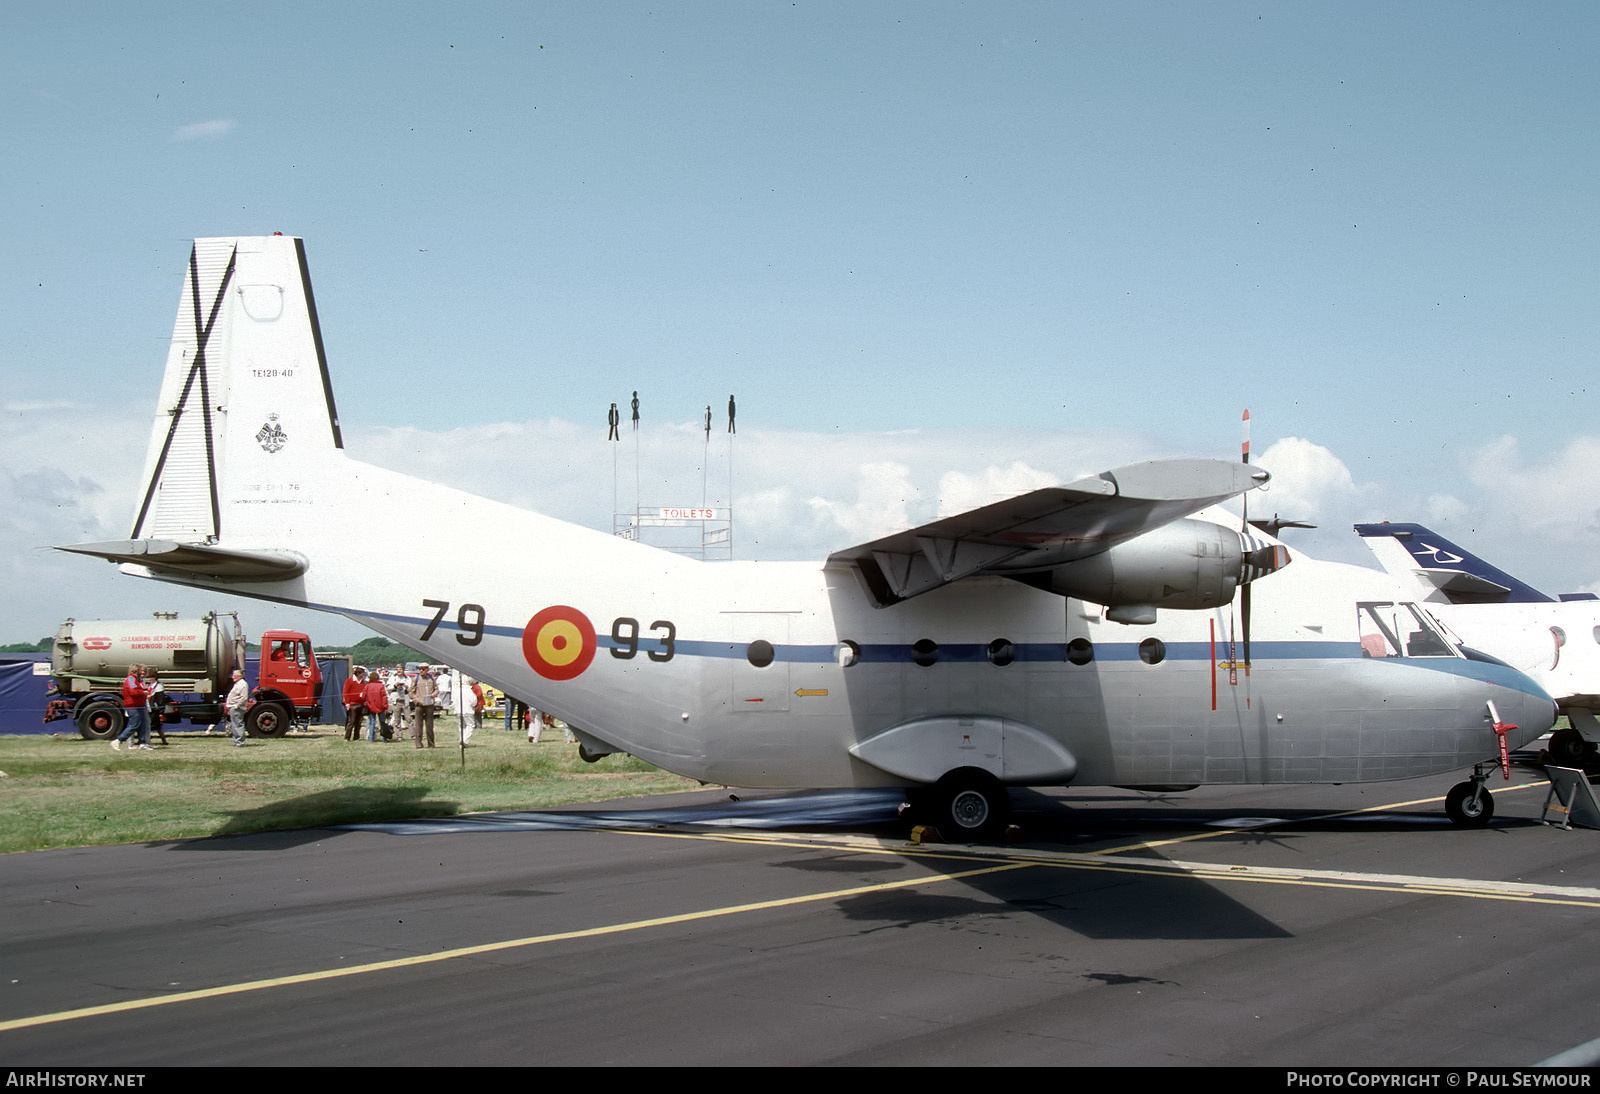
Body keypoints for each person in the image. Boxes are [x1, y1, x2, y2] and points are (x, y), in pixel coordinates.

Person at [112, 663, 148, 752]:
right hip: (133, 706)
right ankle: (118, 740)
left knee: (142, 725)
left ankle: (142, 743)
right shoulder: (131, 679)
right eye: (140, 670)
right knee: (134, 725)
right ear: (135, 670)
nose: (142, 672)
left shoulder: (136, 680)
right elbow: (133, 691)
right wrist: (143, 692)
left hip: (139, 705)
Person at [411, 665, 437, 748]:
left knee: (429, 725)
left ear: (427, 670)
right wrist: (417, 700)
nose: (421, 671)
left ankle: (431, 744)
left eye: (423, 669)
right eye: (420, 669)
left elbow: (436, 689)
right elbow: (411, 692)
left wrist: (434, 694)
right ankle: (418, 744)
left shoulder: (431, 678)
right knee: (418, 725)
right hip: (419, 704)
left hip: (429, 704)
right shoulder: (416, 679)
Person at [225, 668, 249, 747]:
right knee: (234, 725)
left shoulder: (243, 684)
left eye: (234, 675)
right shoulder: (238, 684)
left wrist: (236, 706)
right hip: (233, 707)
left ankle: (240, 742)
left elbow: (244, 697)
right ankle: (236, 742)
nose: (232, 677)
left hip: (237, 708)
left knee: (238, 725)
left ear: (239, 676)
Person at [363, 670, 390, 741]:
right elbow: (384, 697)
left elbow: (363, 695)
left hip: (371, 706)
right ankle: (384, 738)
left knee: (372, 722)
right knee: (382, 722)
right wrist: (385, 706)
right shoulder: (381, 686)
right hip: (380, 706)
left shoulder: (368, 686)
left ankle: (371, 738)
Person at [344, 667, 367, 741]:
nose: (363, 675)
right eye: (362, 674)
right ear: (358, 674)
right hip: (352, 703)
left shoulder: (362, 682)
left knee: (358, 722)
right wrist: (347, 703)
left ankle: (356, 737)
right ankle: (347, 737)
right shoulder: (349, 680)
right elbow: (345, 692)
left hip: (360, 703)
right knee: (351, 721)